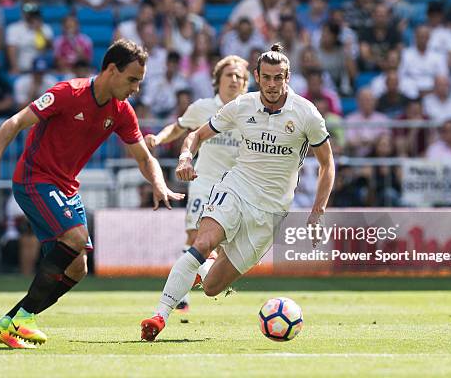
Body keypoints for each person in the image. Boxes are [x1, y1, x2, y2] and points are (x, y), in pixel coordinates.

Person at [0, 39, 184, 349]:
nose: (136, 89)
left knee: (78, 267)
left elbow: (144, 157)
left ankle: (9, 322)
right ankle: (24, 318)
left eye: (140, 82)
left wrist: (158, 184)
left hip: (66, 187)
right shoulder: (67, 93)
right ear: (111, 70)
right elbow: (16, 122)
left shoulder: (121, 111)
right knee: (75, 238)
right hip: (35, 179)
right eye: (132, 80)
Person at [140, 43, 335, 341]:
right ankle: (159, 315)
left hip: (270, 211)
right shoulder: (243, 106)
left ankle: (199, 270)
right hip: (236, 189)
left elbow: (327, 164)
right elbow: (196, 134)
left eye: (278, 78)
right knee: (202, 242)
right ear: (256, 76)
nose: (272, 84)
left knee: (212, 287)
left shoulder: (307, 113)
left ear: (288, 77)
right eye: (266, 77)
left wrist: (317, 212)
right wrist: (185, 157)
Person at [144, 55, 249, 311]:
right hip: (205, 182)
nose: (234, 80)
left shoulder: (252, 111)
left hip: (238, 188)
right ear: (217, 81)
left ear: (246, 83)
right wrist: (158, 139)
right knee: (196, 236)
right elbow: (179, 127)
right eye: (229, 75)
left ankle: (199, 275)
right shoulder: (203, 107)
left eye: (240, 76)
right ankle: (179, 296)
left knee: (222, 252)